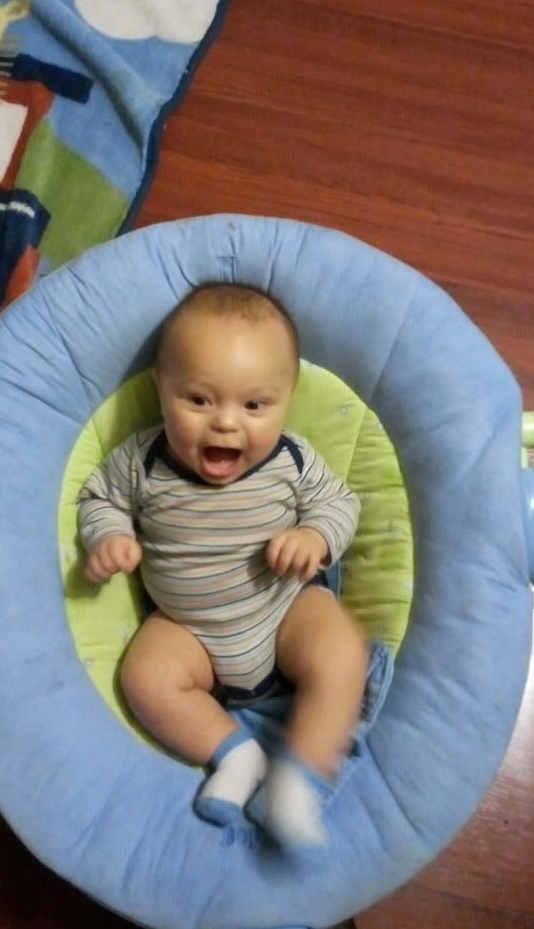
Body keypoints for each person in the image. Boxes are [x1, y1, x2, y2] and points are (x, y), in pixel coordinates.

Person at [77, 283, 368, 850]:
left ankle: (299, 777)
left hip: (284, 607)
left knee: (342, 651)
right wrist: (109, 536)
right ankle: (235, 753)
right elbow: (99, 499)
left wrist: (314, 535)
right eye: (199, 400)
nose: (226, 424)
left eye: (255, 405)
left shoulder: (292, 459)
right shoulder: (141, 463)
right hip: (187, 629)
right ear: (161, 388)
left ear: (287, 398)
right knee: (144, 678)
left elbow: (341, 504)